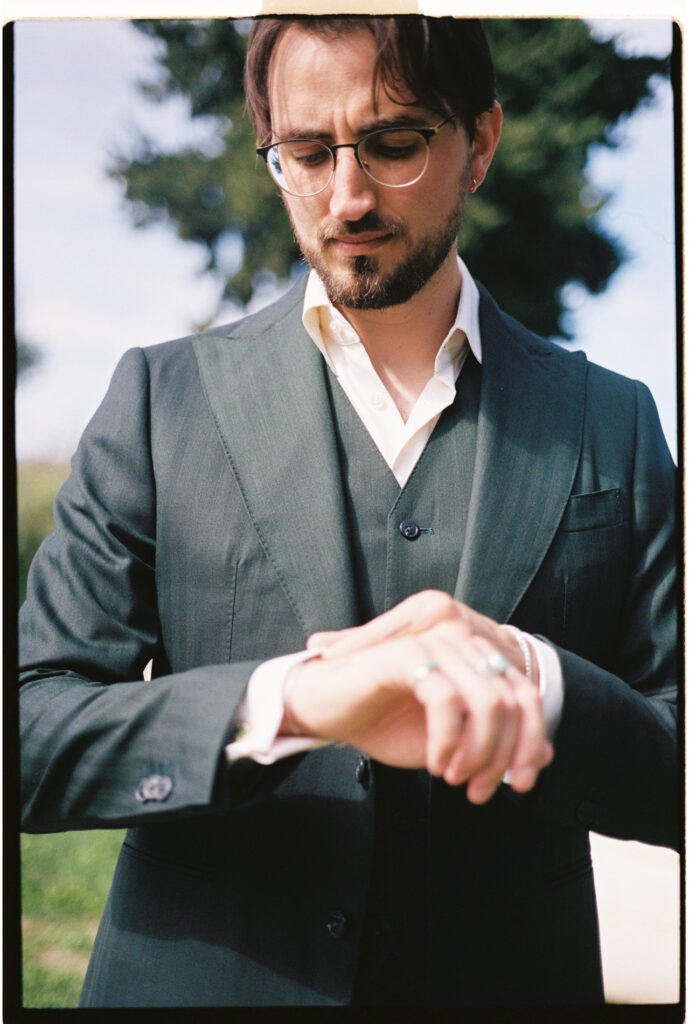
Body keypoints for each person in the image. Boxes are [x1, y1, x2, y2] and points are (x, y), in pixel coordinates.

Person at [19, 15, 677, 1009]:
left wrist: (534, 681)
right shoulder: (160, 400)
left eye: (392, 142)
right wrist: (287, 702)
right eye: (305, 152)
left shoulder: (612, 421)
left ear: (479, 144)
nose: (346, 196)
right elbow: (29, 732)